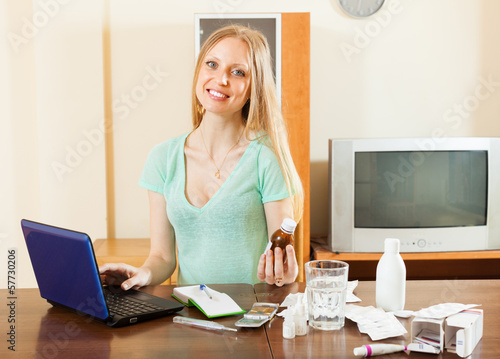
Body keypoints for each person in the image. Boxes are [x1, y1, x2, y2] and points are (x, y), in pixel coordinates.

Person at [99, 25, 304, 289]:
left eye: (238, 72)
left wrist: (284, 274)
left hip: (249, 319)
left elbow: (281, 263)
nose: (221, 79)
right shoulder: (163, 158)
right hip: (189, 318)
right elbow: (162, 257)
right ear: (199, 72)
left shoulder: (266, 159)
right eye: (212, 64)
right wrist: (142, 274)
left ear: (254, 88)